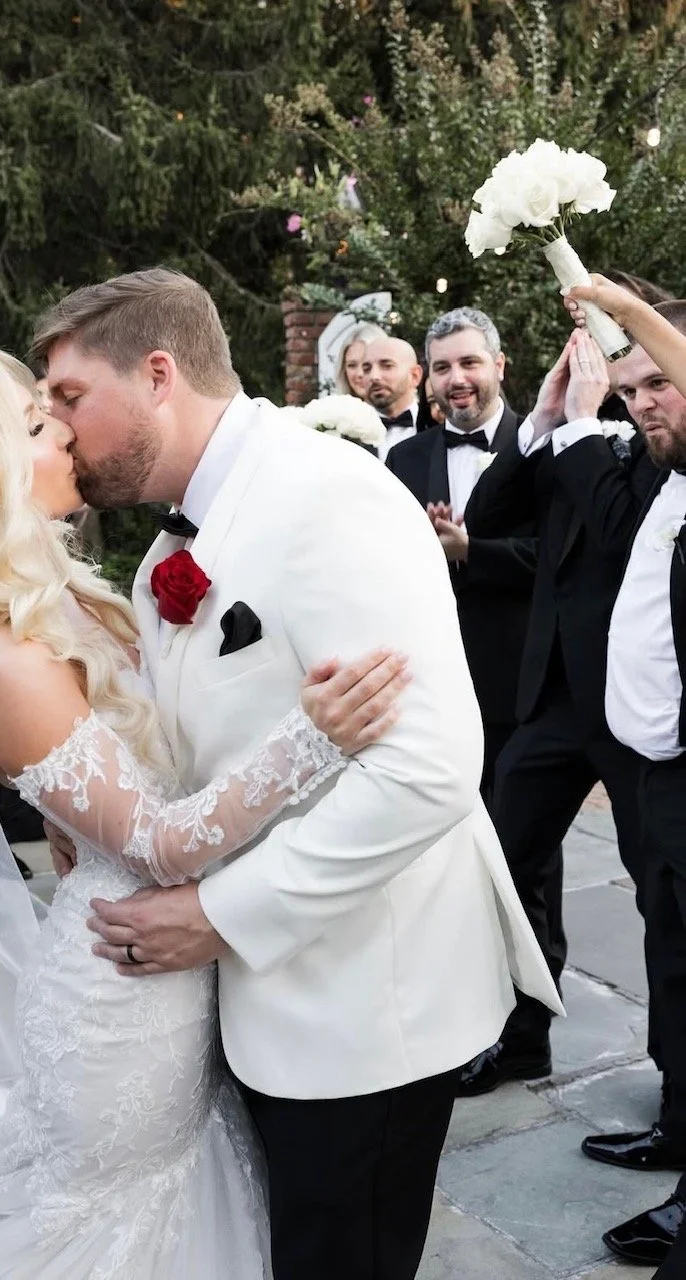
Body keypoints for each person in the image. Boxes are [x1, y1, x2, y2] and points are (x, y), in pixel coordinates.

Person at [0, 349, 409, 1277]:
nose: (63, 430)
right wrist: (313, 737)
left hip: (167, 966)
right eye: (33, 424)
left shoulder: (57, 596)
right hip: (122, 997)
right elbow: (162, 846)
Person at [32, 267, 561, 1280]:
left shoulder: (328, 496)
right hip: (259, 1012)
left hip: (361, 1009)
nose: (57, 427)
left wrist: (218, 914)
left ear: (156, 376)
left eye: (69, 396)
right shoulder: (167, 548)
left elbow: (427, 767)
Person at [461, 321, 662, 1099]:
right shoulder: (565, 429)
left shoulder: (662, 439)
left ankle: (676, 1082)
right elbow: (489, 515)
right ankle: (519, 1039)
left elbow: (620, 535)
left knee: (661, 891)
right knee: (506, 868)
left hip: (634, 703)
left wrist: (585, 424)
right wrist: (545, 418)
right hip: (551, 697)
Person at [549, 277, 686, 1275]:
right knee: (671, 964)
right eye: (629, 389)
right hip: (654, 775)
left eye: (658, 384)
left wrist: (621, 310)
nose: (642, 403)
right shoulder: (663, 478)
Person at [387, 308, 534, 803]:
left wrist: (470, 550)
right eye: (442, 367)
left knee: (517, 835)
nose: (456, 379)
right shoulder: (404, 458)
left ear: (499, 365)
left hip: (519, 679)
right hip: (434, 680)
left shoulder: (538, 447)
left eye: (470, 363)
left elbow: (554, 558)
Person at [359, 334, 426, 460]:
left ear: (414, 376)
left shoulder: (435, 424)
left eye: (387, 366)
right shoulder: (350, 432)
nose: (374, 376)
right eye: (367, 369)